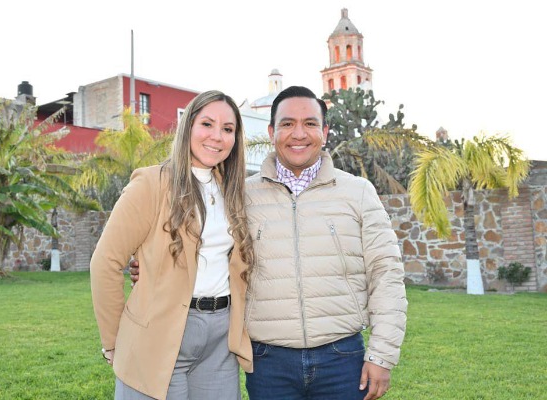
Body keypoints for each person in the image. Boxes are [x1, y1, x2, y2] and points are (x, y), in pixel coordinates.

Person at [131, 86, 407, 400]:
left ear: (325, 132)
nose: (299, 133)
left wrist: (382, 355)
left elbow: (386, 274)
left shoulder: (358, 192)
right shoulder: (238, 194)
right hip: (268, 363)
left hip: (342, 359)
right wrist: (148, 264)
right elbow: (206, 252)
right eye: (288, 124)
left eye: (310, 123)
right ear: (272, 132)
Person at [91, 90, 253, 400]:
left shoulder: (232, 191)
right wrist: (112, 341)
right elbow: (105, 262)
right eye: (207, 124)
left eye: (228, 129)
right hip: (160, 334)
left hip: (220, 340)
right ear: (188, 126)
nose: (217, 136)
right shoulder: (151, 184)